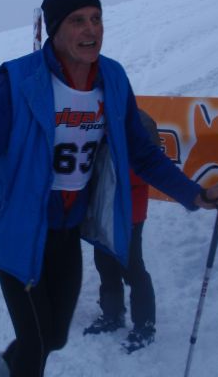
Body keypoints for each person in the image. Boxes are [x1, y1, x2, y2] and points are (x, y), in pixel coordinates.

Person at [0, 0, 218, 377]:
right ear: (55, 29)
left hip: (67, 230)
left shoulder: (112, 79)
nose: (91, 29)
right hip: (18, 228)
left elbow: (142, 153)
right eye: (78, 20)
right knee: (35, 342)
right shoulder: (20, 80)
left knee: (55, 337)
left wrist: (196, 195)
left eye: (96, 18)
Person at [83, 109, 159, 354]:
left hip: (128, 211)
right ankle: (112, 313)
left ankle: (145, 325)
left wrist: (109, 168)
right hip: (102, 207)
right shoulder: (94, 116)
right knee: (104, 262)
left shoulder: (139, 122)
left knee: (132, 266)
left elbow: (148, 167)